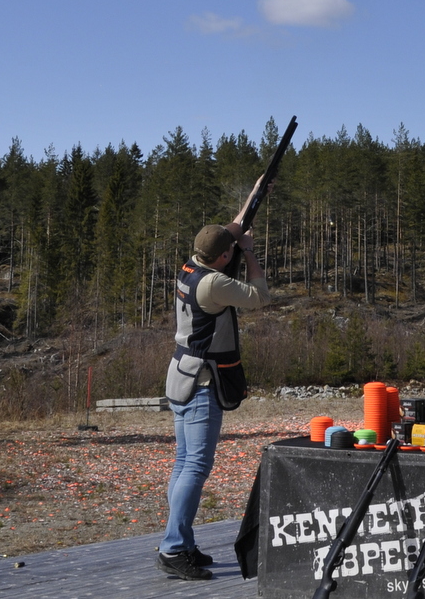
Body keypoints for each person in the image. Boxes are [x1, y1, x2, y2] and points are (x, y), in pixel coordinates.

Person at [158, 185, 272, 581]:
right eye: (233, 252)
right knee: (195, 467)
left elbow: (230, 231)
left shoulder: (192, 265)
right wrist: (252, 252)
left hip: (182, 375)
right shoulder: (214, 284)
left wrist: (258, 191)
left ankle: (181, 543)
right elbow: (259, 296)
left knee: (183, 464)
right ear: (225, 257)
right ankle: (173, 548)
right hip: (203, 383)